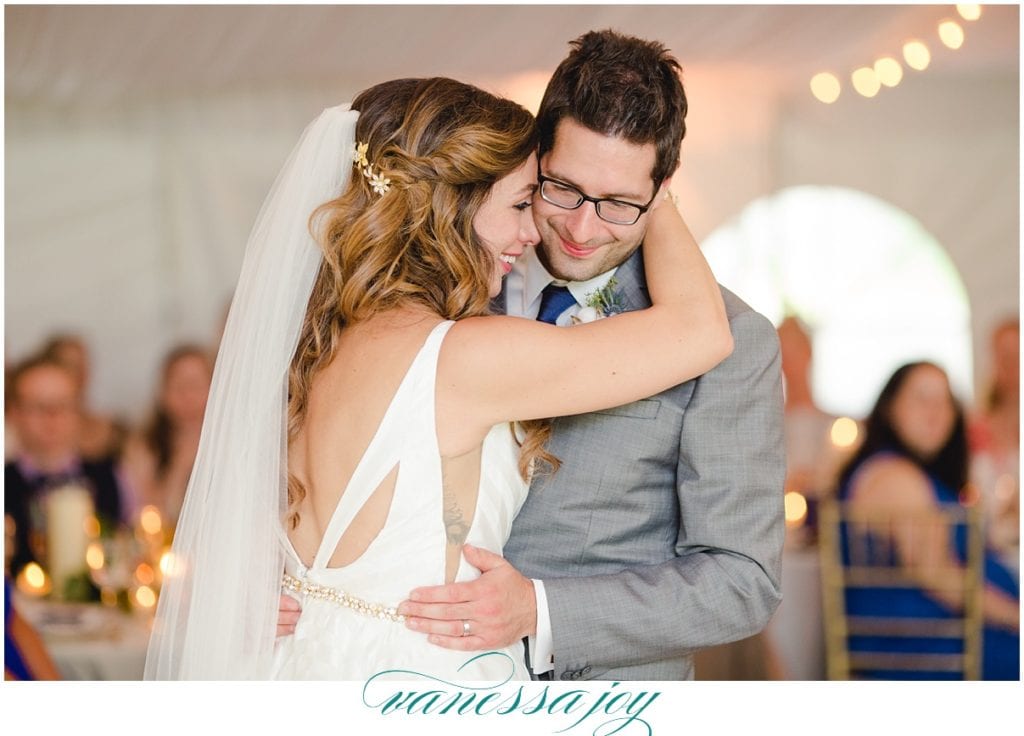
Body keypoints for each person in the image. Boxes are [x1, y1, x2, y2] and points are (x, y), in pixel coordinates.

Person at [146, 76, 731, 680]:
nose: (532, 231)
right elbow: (701, 330)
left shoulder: (315, 344)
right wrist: (650, 192)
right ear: (453, 207)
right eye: (518, 203)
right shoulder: (465, 358)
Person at [389, 30, 785, 681]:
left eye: (619, 204)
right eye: (562, 188)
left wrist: (542, 612)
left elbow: (742, 583)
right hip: (421, 673)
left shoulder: (733, 341)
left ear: (662, 190)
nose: (580, 228)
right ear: (534, 155)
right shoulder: (448, 291)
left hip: (604, 699)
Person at [837, 361, 1019, 680]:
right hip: (930, 651)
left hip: (949, 640)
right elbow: (939, 576)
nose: (936, 410)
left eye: (945, 400)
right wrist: (1017, 616)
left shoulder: (906, 472)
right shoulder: (895, 477)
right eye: (922, 398)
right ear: (890, 408)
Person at [4, 356, 133, 579]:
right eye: (38, 407)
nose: (51, 419)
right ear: (14, 412)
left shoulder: (109, 476)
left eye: (63, 405)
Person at [121, 344, 213, 528]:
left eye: (195, 385)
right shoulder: (145, 446)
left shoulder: (225, 447)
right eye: (178, 385)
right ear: (162, 392)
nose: (187, 396)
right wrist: (180, 464)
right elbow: (147, 514)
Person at [40, 334, 126, 461]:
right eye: (69, 364)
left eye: (83, 364)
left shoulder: (113, 429)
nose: (80, 372)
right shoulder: (37, 428)